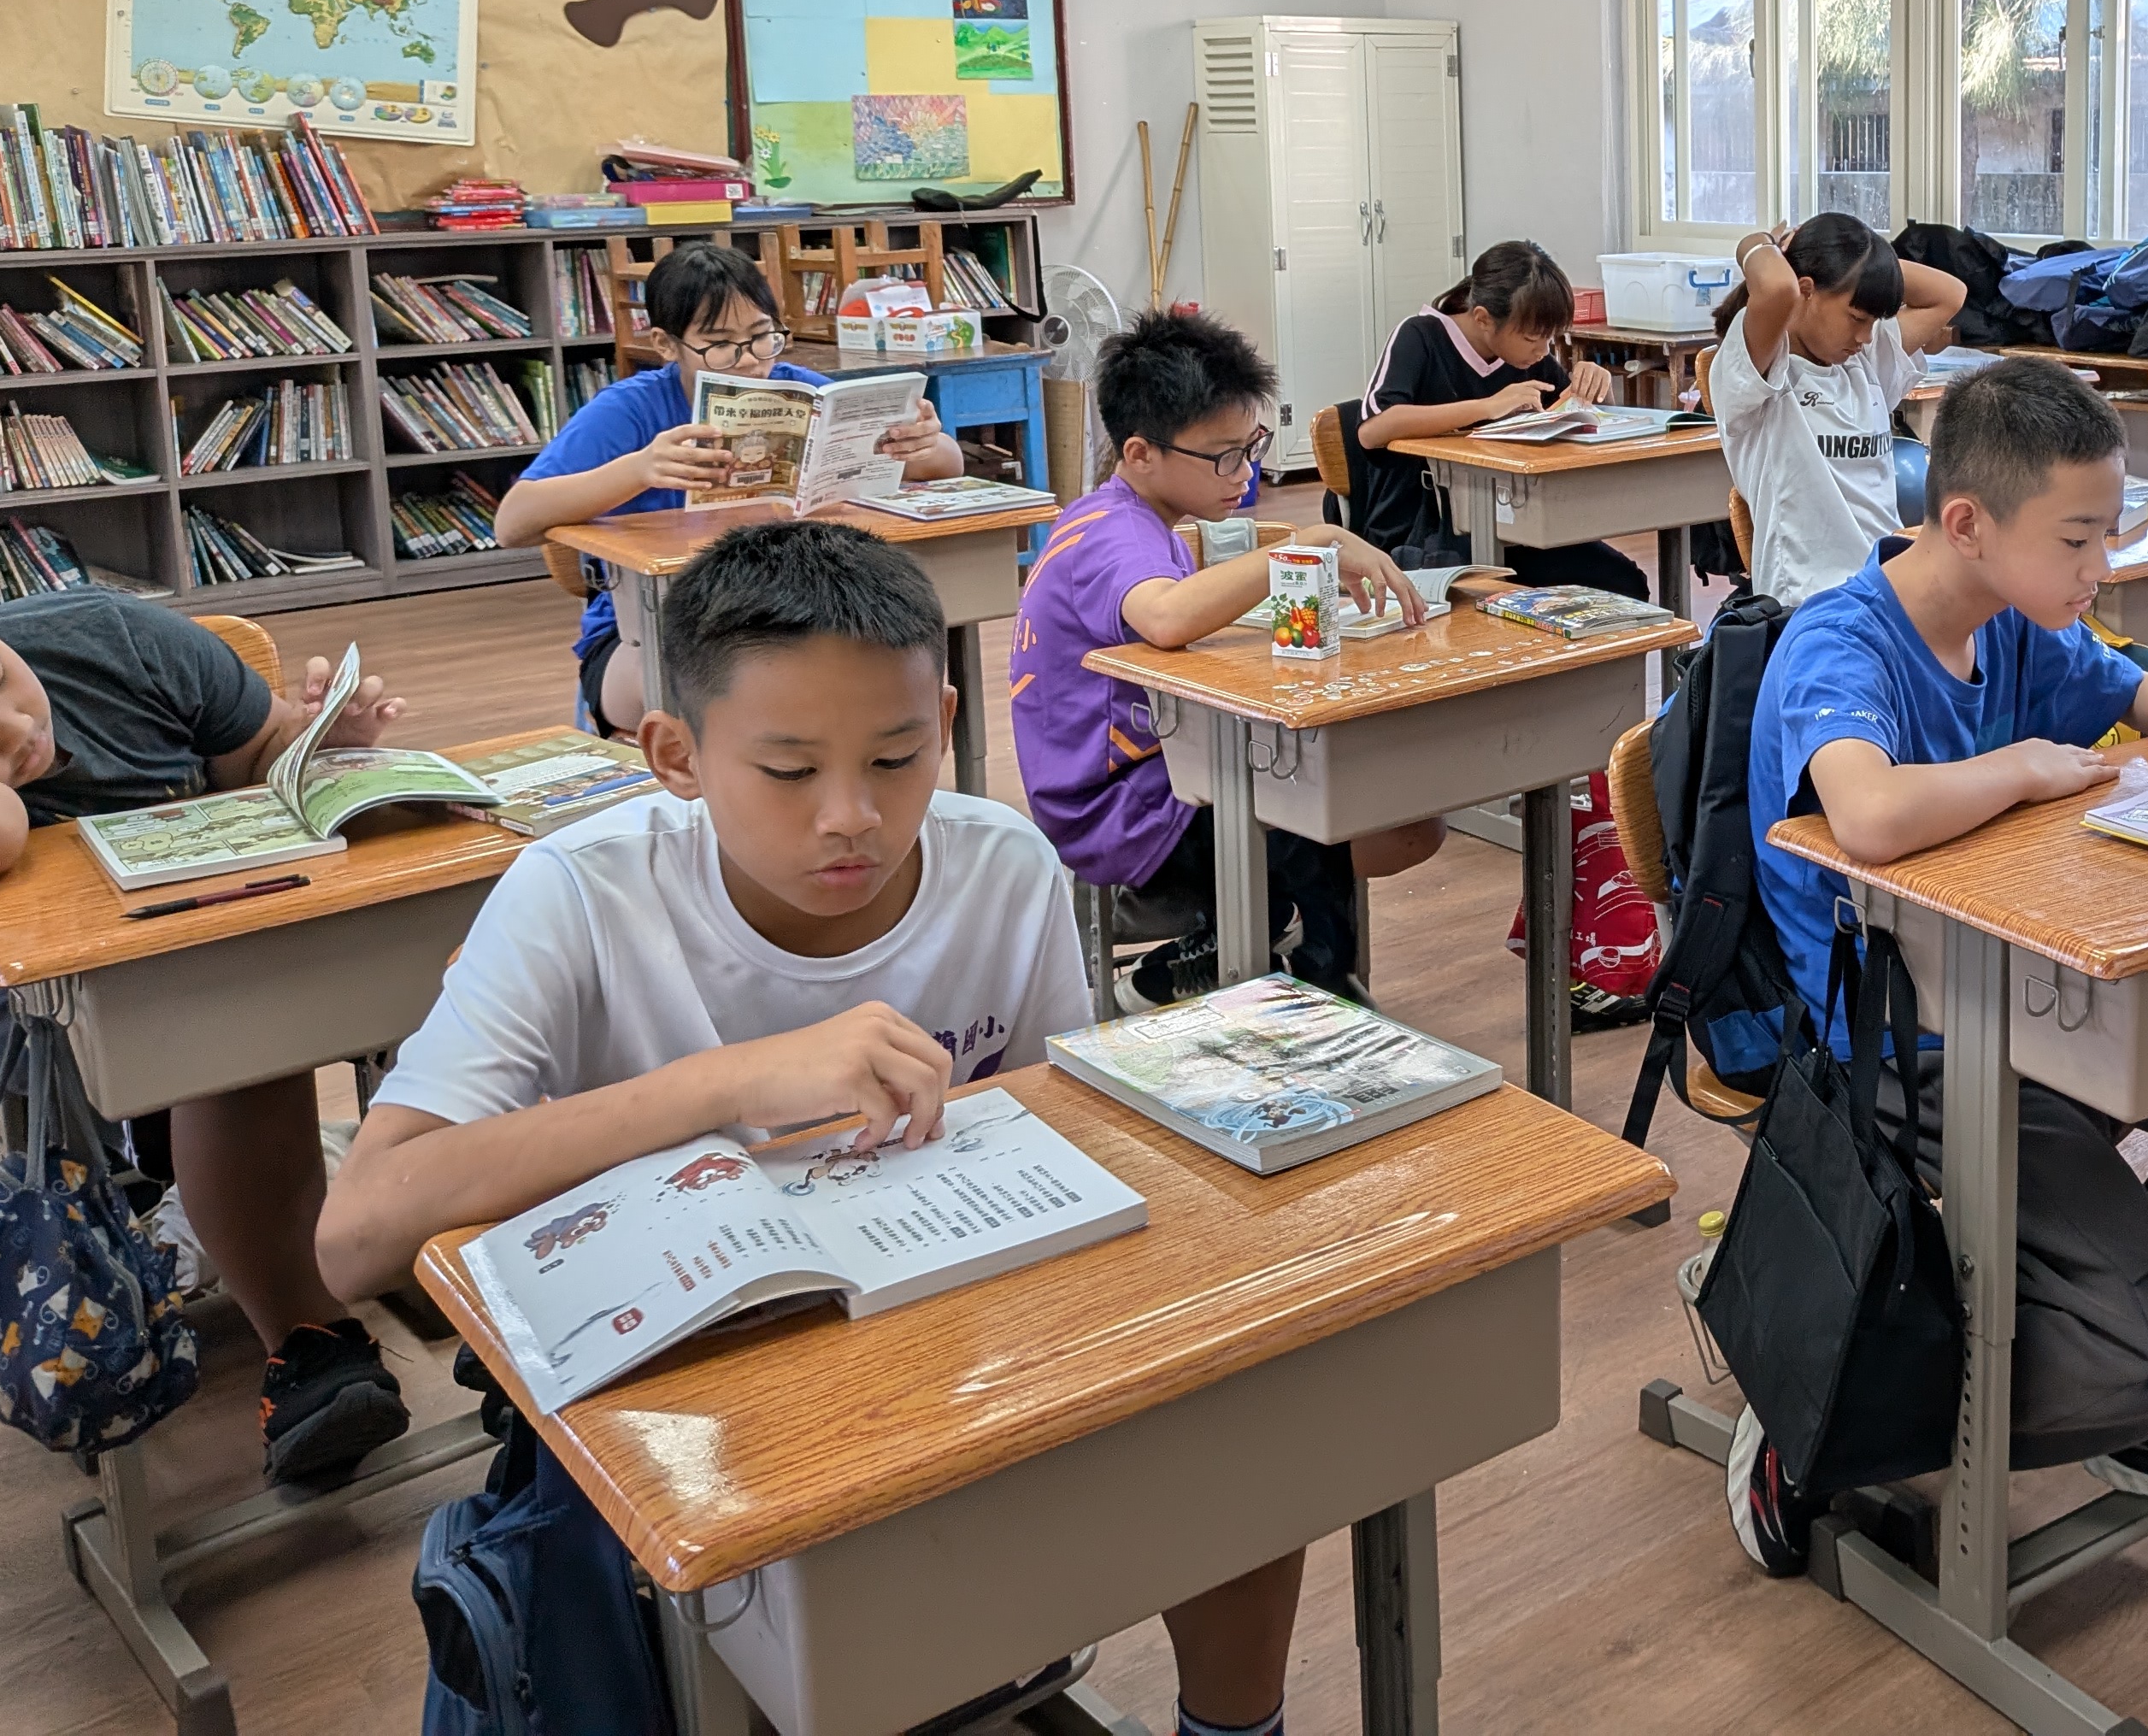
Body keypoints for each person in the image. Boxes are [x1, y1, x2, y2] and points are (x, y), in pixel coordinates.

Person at [317, 527, 1332, 1736]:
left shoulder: (1001, 866)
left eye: (897, 759)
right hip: (693, 1418)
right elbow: (357, 1236)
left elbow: (1063, 1137)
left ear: (944, 723)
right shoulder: (580, 893)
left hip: (952, 1360)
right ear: (676, 755)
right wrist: (728, 1083)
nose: (851, 817)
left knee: (1248, 1425)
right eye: (789, 772)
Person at [1727, 358, 2148, 1570]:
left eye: (2107, 532)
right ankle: (1827, 1411)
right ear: (1967, 524)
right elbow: (1866, 812)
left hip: (2040, 993)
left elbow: (2137, 689)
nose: (2100, 566)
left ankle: (2101, 1336)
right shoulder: (1841, 643)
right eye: (2077, 540)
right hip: (1912, 1043)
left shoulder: (2018, 625)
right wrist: (2024, 768)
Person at [0, 593, 412, 1482]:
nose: (16, 731)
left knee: (243, 1010)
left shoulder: (119, 641)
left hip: (201, 995)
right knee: (176, 1034)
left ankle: (312, 1332)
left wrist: (322, 750)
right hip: (31, 1047)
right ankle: (134, 1284)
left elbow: (259, 754)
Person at [1009, 309, 1435, 1008]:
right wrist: (1309, 544)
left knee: (1370, 811)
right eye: (1223, 456)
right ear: (1141, 453)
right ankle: (1306, 981)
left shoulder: (1133, 518)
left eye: (1250, 447)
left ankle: (1253, 959)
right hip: (1121, 805)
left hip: (1158, 772)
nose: (1245, 473)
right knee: (1309, 820)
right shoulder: (1115, 533)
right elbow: (1167, 617)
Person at [496, 243, 962, 738]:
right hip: (648, 636)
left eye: (762, 336)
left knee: (884, 665)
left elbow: (948, 465)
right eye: (719, 344)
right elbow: (512, 524)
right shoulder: (631, 409)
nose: (749, 361)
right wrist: (640, 469)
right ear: (666, 344)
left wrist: (921, 443)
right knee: (743, 697)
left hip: (791, 612)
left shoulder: (803, 390)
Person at [1351, 239, 1645, 596]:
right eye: (1532, 338)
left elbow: (1571, 413)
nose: (1543, 351)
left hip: (1518, 528)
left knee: (1624, 584)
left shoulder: (1528, 358)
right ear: (1483, 319)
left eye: (1550, 339)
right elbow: (1373, 429)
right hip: (1424, 534)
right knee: (1482, 598)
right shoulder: (1420, 337)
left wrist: (1597, 390)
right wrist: (1487, 407)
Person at [1710, 212, 1967, 609]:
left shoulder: (1865, 361)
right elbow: (1777, 288)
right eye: (1856, 317)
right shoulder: (1763, 369)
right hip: (1809, 603)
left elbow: (1950, 294)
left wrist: (1865, 260)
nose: (1865, 336)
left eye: (1874, 322)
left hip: (1889, 587)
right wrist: (1762, 244)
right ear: (1807, 290)